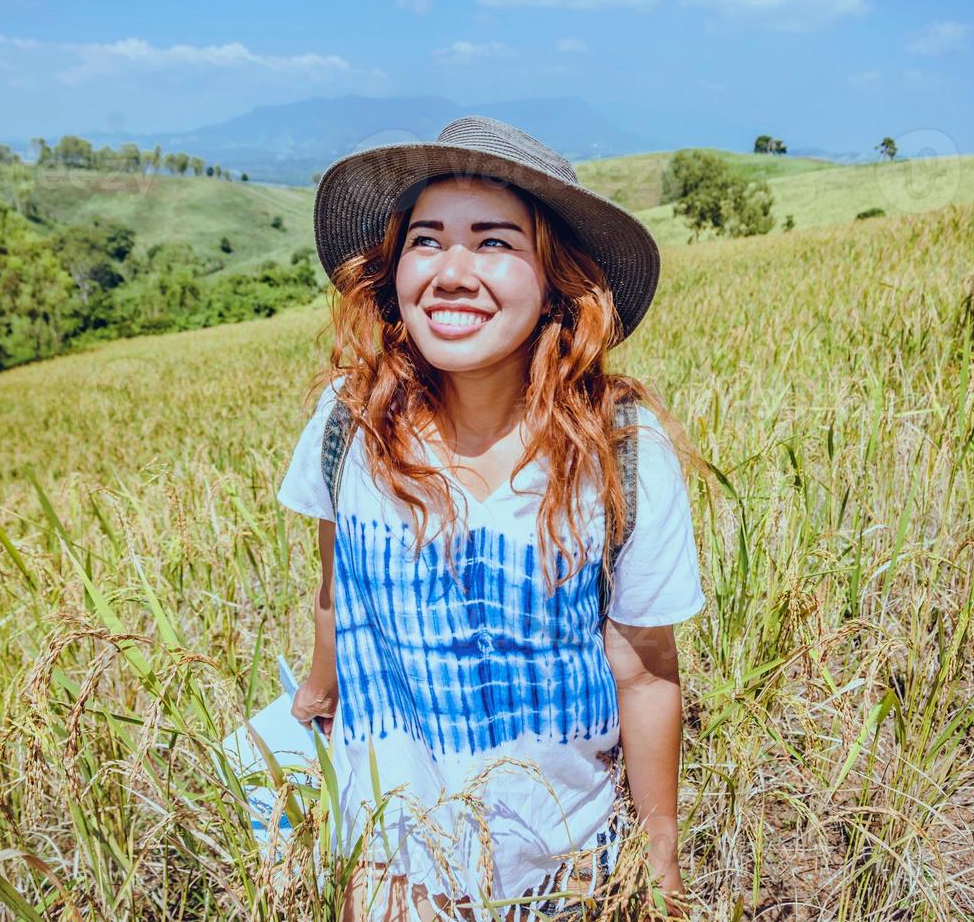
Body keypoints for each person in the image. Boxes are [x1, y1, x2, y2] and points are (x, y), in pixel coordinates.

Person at [277, 116, 705, 920]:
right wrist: (312, 697)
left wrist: (661, 869)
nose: (452, 272)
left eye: (495, 243)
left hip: (566, 874)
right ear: (393, 272)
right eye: (427, 241)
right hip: (389, 875)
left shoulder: (620, 448)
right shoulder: (350, 424)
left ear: (556, 279)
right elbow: (336, 591)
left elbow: (645, 674)